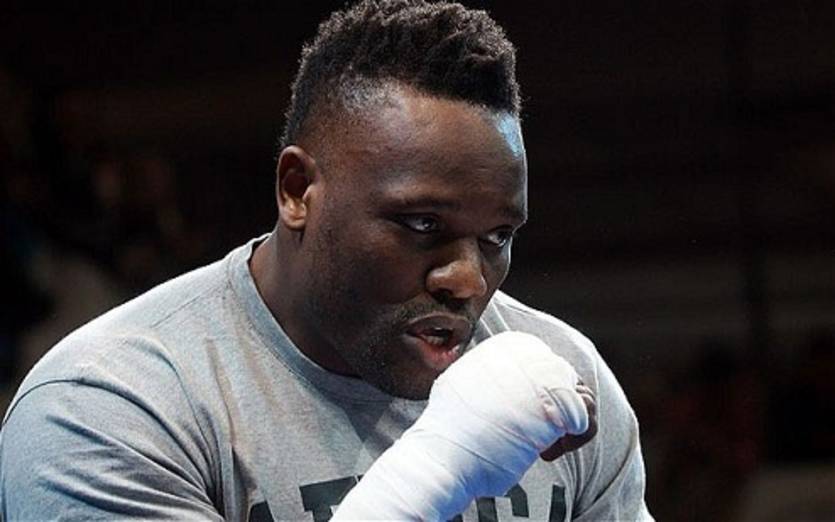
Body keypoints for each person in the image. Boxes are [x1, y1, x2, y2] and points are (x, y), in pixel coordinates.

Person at [0, 0, 653, 520]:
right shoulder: (112, 407)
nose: (466, 279)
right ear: (297, 192)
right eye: (422, 224)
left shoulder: (565, 379)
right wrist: (441, 467)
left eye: (497, 237)